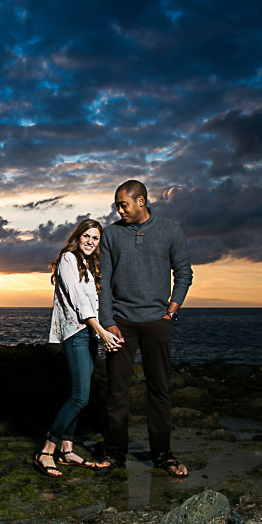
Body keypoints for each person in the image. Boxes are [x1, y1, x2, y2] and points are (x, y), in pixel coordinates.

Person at [98, 180, 193, 477]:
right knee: (117, 391)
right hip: (121, 323)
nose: (119, 210)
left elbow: (184, 273)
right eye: (116, 205)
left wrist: (171, 312)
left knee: (160, 390)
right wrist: (108, 321)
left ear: (141, 201)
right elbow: (104, 283)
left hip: (157, 322)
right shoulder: (111, 234)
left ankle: (163, 455)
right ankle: (115, 454)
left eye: (123, 204)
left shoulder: (170, 230)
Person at [34, 218, 124, 478]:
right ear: (78, 236)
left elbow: (94, 302)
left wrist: (102, 331)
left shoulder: (89, 264)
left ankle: (67, 449)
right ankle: (46, 451)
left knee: (77, 393)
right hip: (77, 333)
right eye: (87, 236)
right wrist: (102, 333)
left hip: (89, 335)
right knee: (80, 397)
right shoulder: (68, 260)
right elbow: (80, 302)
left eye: (96, 238)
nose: (91, 241)